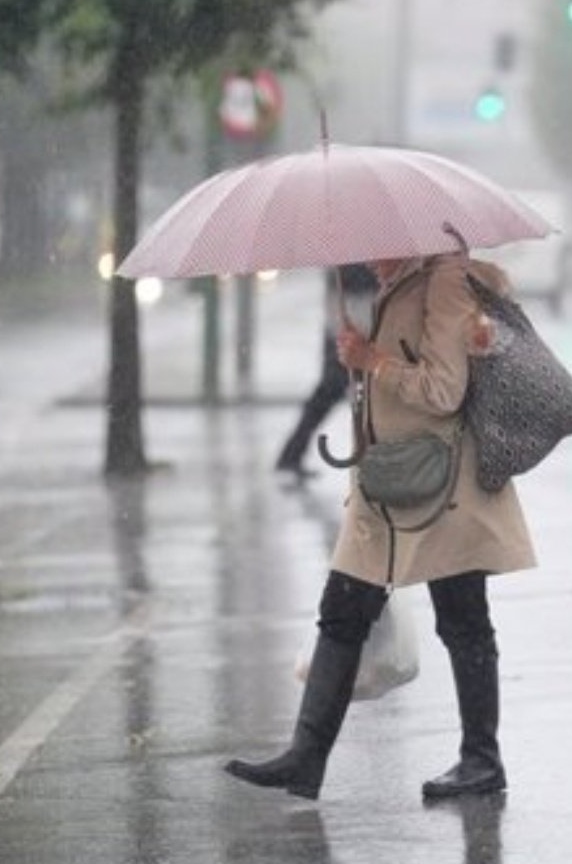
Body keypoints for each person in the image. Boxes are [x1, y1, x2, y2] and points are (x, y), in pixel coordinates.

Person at [226, 250, 535, 801]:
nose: (366, 256)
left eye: (376, 246)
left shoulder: (442, 284)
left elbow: (445, 390)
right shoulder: (397, 283)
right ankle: (306, 756)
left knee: (462, 618)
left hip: (442, 485)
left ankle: (482, 761)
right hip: (390, 483)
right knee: (343, 611)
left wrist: (373, 361)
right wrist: (360, 363)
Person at [274, 263, 379, 476]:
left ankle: (292, 454)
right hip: (349, 333)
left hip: (347, 330)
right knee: (337, 394)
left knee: (335, 396)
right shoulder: (356, 258)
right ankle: (291, 455)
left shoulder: (347, 254)